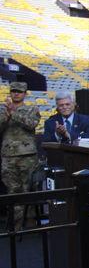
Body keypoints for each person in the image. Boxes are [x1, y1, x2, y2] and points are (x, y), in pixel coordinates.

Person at [0, 82, 41, 230]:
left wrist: (14, 113)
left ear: (25, 93)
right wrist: (7, 115)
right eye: (13, 91)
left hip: (27, 155)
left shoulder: (31, 109)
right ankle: (16, 224)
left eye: (19, 91)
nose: (16, 94)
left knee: (29, 188)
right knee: (12, 190)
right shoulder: (2, 110)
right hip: (8, 156)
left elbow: (32, 124)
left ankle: (30, 222)